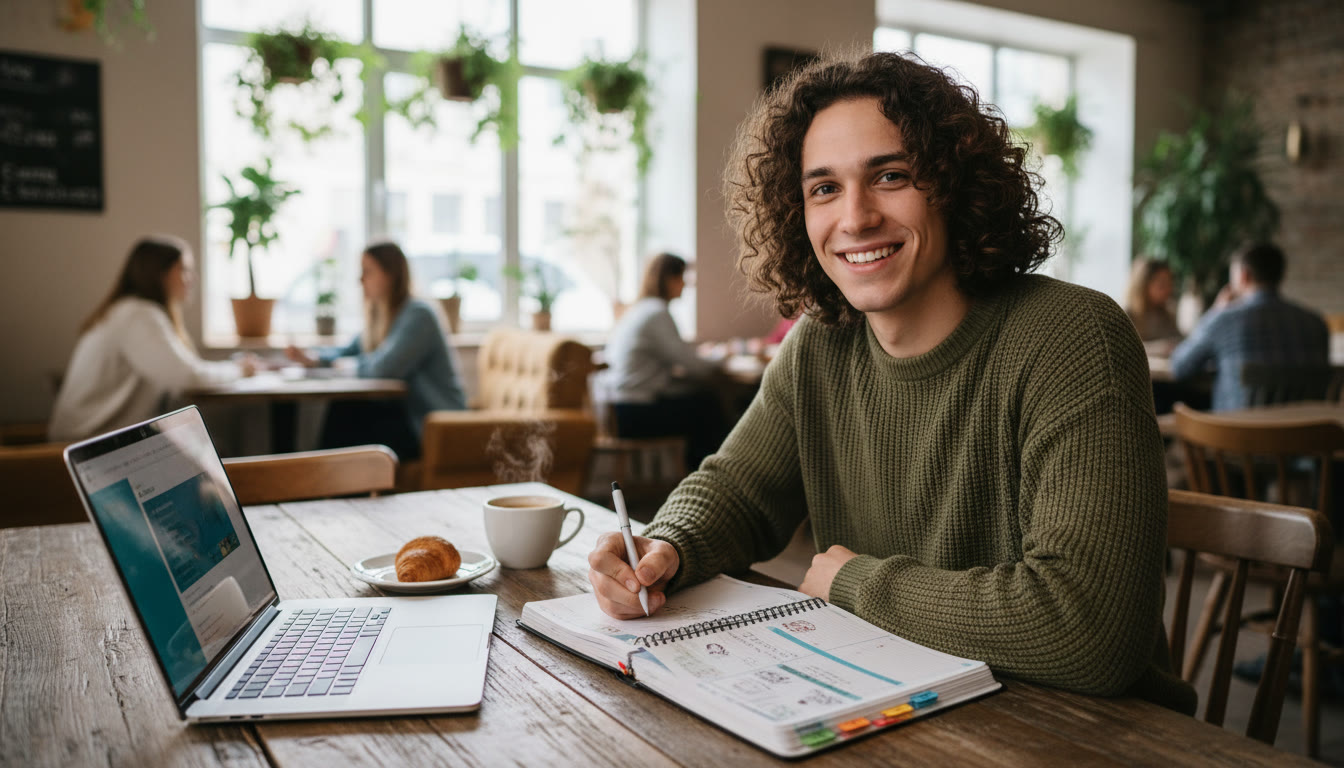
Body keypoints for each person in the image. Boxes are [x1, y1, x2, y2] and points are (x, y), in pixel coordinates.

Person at [586, 51, 1195, 714]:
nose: (855, 217)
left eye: (891, 176)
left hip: (1085, 731)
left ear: (953, 185)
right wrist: (666, 545)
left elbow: (1090, 631)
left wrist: (855, 583)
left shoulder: (1073, 336)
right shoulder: (821, 344)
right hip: (902, 706)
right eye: (823, 188)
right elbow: (738, 490)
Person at [49, 236, 255, 442]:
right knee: (215, 453)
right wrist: (239, 370)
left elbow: (185, 372)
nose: (192, 277)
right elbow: (188, 378)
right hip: (87, 446)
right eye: (184, 269)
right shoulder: (138, 316)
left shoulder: (131, 311)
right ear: (160, 274)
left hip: (98, 439)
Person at [288, 241, 466, 460]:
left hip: (429, 425)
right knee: (346, 410)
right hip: (405, 418)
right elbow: (350, 351)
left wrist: (344, 365)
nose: (360, 280)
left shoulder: (419, 315)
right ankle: (320, 483)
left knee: (346, 412)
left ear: (390, 274)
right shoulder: (382, 316)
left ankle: (319, 484)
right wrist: (313, 358)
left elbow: (384, 368)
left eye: (367, 272)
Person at [1169, 242, 1329, 412]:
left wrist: (1216, 311)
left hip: (1237, 433)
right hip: (1306, 433)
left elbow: (1180, 366)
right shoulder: (1316, 323)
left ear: (1243, 275)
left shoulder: (1225, 319)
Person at [600, 253, 726, 468]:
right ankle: (710, 477)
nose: (685, 285)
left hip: (618, 410)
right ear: (669, 279)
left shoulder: (638, 309)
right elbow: (693, 366)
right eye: (682, 278)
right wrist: (721, 357)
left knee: (700, 402)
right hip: (634, 413)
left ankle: (702, 477)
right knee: (708, 405)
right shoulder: (657, 313)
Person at [1125, 258, 1182, 355]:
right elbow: (1126, 348)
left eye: (1170, 284)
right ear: (1143, 285)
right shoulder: (1127, 315)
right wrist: (1159, 348)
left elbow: (1178, 341)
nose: (1168, 290)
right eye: (1162, 285)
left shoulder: (1167, 314)